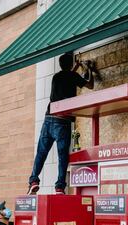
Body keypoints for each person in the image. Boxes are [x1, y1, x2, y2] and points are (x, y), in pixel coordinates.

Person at [28, 53, 94, 195]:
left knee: (41, 152)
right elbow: (90, 84)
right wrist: (90, 70)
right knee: (62, 155)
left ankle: (33, 181)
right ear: (71, 65)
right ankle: (59, 187)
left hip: (48, 119)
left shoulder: (56, 77)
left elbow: (67, 76)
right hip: (62, 122)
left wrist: (75, 67)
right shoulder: (73, 76)